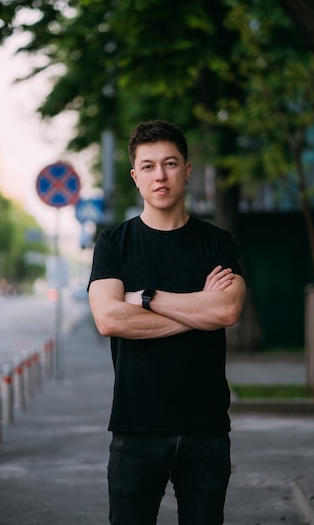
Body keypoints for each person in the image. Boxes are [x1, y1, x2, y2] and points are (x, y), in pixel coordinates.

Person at [88, 119, 246, 525]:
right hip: (135, 428)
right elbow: (108, 318)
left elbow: (226, 311)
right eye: (148, 166)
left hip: (206, 430)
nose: (160, 175)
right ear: (135, 176)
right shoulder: (113, 244)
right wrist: (199, 313)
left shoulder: (217, 242)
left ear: (187, 171)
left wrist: (146, 298)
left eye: (171, 163)